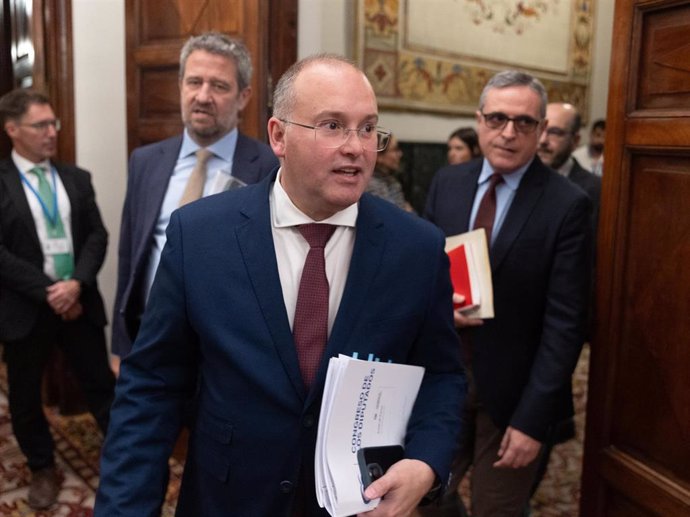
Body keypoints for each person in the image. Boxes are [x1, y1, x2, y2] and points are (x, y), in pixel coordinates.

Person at [95, 54, 466, 516]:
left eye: (368, 128)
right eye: (332, 126)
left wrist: (426, 462)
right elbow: (152, 386)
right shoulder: (201, 235)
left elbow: (442, 374)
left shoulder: (417, 247)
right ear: (278, 136)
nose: (356, 147)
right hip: (229, 499)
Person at [422, 71, 592, 517]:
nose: (508, 132)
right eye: (497, 118)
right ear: (479, 121)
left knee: (497, 509)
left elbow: (566, 323)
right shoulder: (448, 183)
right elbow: (421, 273)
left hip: (514, 394)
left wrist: (533, 420)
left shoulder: (567, 204)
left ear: (540, 131)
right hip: (442, 377)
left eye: (524, 122)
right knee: (425, 497)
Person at [111, 32, 278, 363]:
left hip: (227, 347)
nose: (203, 96)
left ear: (243, 97)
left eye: (219, 86)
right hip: (151, 334)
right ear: (180, 86)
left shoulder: (270, 168)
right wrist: (120, 345)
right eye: (194, 82)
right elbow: (129, 254)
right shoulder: (145, 162)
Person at [0, 88, 115, 510]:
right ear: (13, 130)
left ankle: (122, 455)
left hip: (79, 301)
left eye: (54, 124)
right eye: (41, 125)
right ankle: (42, 467)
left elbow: (97, 236)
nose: (51, 132)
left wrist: (77, 284)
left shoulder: (76, 178)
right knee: (26, 395)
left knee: (100, 383)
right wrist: (49, 290)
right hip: (26, 309)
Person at [538, 102, 601, 243]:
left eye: (554, 132)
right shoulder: (517, 177)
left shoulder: (594, 189)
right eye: (540, 129)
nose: (543, 140)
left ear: (575, 140)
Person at [365, 134, 414, 211]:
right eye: (395, 150)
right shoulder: (369, 184)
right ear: (379, 156)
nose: (400, 154)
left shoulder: (392, 182)